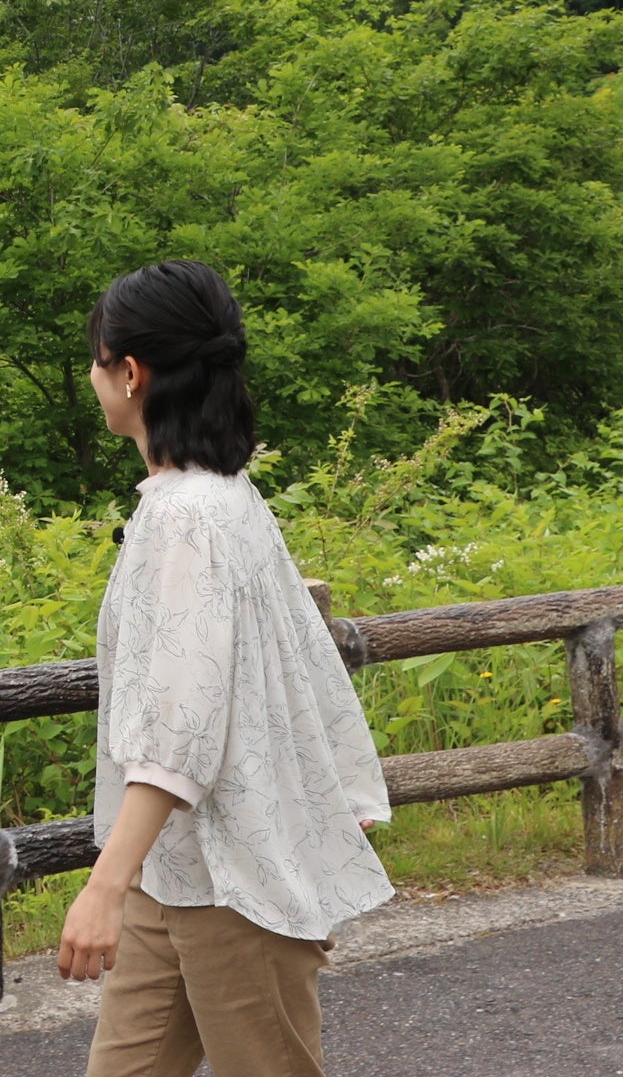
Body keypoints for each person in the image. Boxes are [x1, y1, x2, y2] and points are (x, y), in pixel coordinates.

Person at [57, 260, 393, 1077]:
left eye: (97, 359)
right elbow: (293, 666)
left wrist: (103, 885)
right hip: (173, 869)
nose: (94, 377)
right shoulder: (217, 498)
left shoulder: (191, 519)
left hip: (236, 878)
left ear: (130, 373)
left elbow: (182, 727)